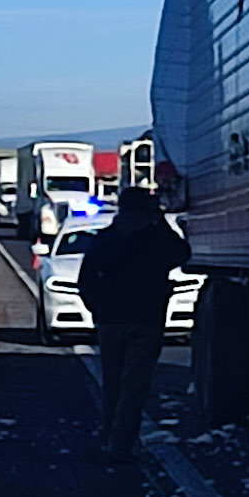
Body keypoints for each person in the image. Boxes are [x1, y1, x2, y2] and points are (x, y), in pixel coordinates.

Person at [75, 187, 188, 461]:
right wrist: (160, 220)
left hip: (110, 323)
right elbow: (182, 253)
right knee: (134, 386)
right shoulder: (155, 240)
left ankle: (110, 434)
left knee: (112, 383)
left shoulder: (104, 240)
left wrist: (98, 312)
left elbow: (85, 282)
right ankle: (121, 443)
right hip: (146, 321)